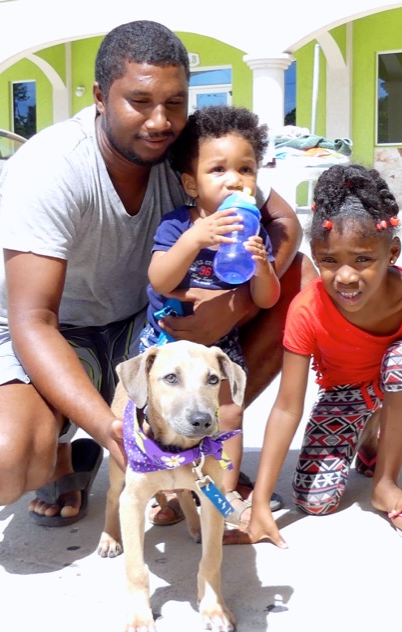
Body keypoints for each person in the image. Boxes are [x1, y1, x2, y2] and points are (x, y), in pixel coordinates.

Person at [0, 20, 316, 526]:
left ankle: (201, 447)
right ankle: (65, 441)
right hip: (57, 334)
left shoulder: (192, 152)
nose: (160, 122)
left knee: (303, 281)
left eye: (176, 103)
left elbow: (285, 224)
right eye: (139, 102)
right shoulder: (52, 167)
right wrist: (110, 430)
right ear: (100, 96)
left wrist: (234, 306)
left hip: (145, 324)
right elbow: (33, 320)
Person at [225, 163, 402, 547]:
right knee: (315, 501)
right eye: (329, 261)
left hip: (396, 378)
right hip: (346, 393)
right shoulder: (308, 309)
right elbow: (288, 406)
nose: (345, 277)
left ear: (392, 252)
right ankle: (369, 429)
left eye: (362, 260)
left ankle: (384, 482)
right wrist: (259, 505)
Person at [140, 105, 280, 527]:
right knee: (158, 416)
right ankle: (164, 493)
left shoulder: (251, 234)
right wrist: (194, 238)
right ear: (191, 183)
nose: (234, 180)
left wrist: (263, 266)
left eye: (246, 169)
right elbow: (161, 279)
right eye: (218, 170)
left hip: (219, 348)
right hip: (166, 343)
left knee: (230, 414)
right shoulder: (177, 224)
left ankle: (224, 493)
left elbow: (267, 299)